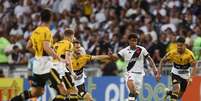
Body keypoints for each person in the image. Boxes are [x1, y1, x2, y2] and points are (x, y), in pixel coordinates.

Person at [11, 8, 63, 101]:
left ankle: (15, 100)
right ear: (50, 18)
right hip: (46, 65)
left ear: (41, 18)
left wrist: (38, 53)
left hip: (37, 65)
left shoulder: (35, 31)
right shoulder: (47, 31)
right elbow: (46, 47)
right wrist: (58, 58)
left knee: (37, 92)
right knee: (62, 89)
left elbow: (28, 46)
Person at [109, 33, 159, 101]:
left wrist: (155, 68)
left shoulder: (142, 49)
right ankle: (132, 94)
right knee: (131, 84)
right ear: (129, 41)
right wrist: (111, 55)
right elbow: (116, 57)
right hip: (129, 73)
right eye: (132, 40)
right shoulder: (124, 50)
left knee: (134, 96)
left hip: (140, 75)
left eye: (135, 40)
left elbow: (149, 59)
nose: (134, 42)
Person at [51, 28, 80, 101]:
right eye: (73, 37)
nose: (73, 39)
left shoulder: (56, 44)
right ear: (71, 36)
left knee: (63, 93)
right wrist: (72, 72)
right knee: (74, 90)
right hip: (60, 69)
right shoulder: (69, 44)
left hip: (52, 69)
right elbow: (68, 59)